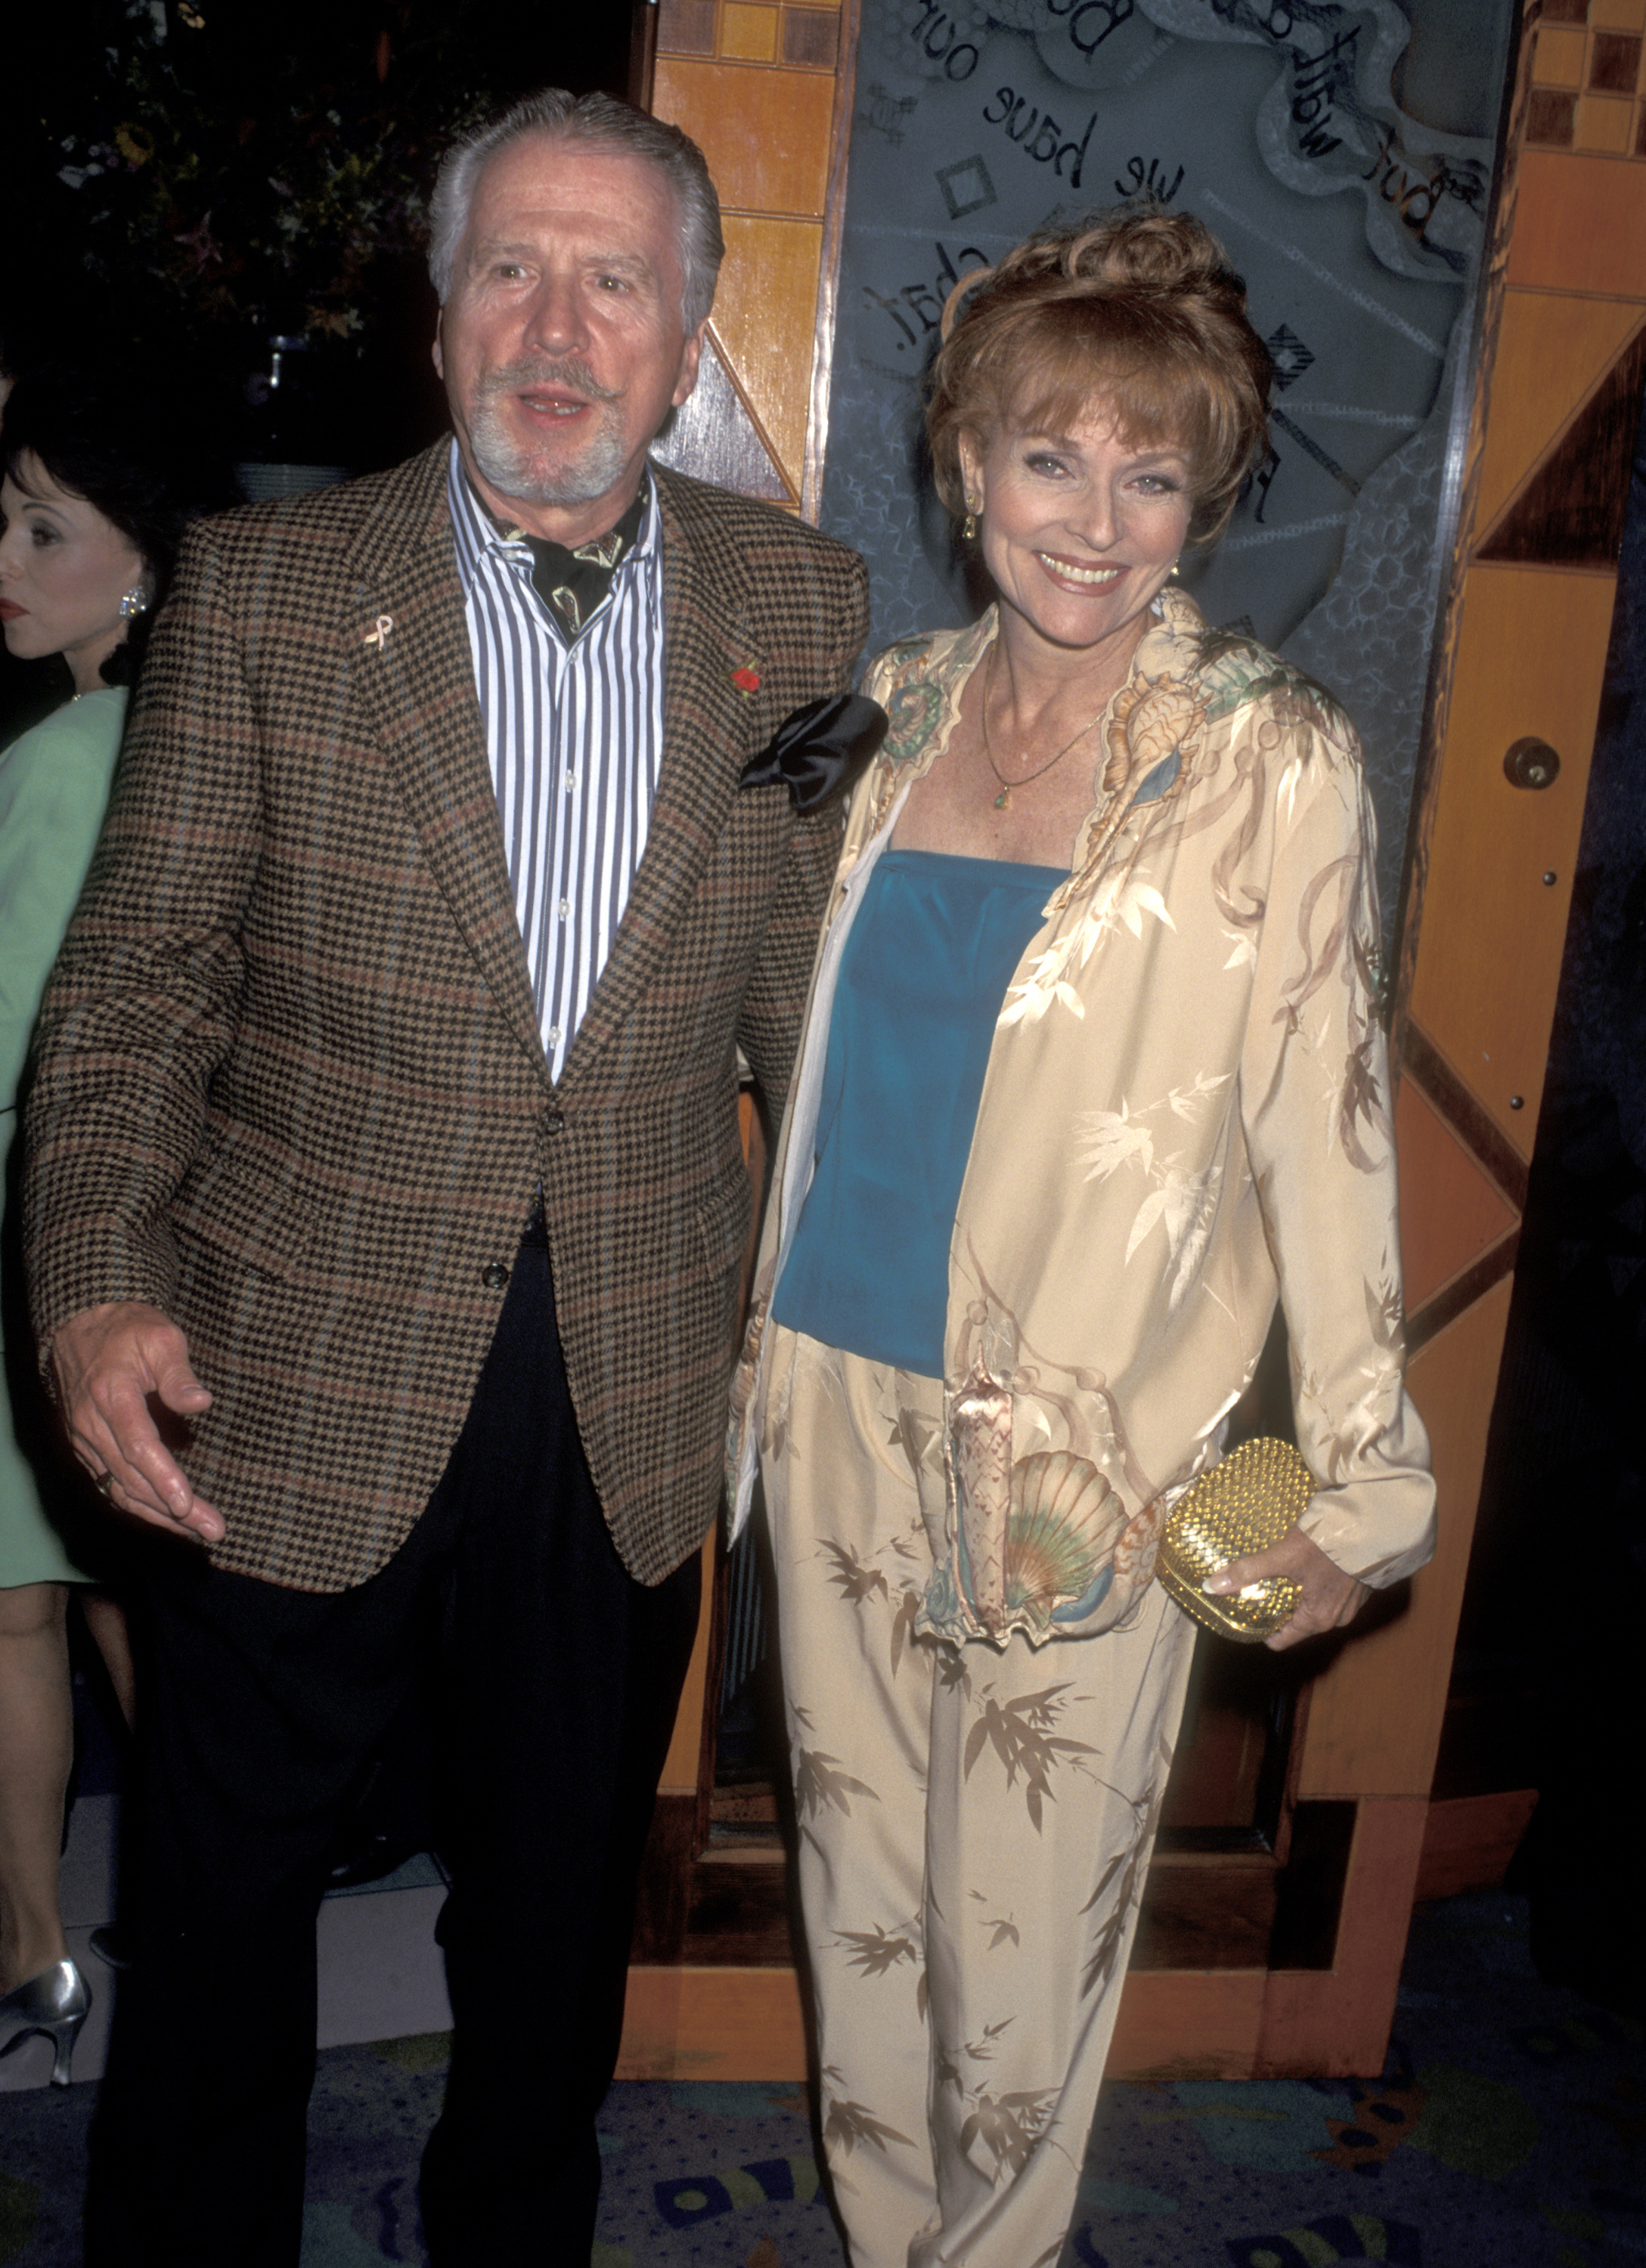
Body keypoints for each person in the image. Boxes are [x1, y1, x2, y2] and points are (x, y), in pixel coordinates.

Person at [23, 90, 867, 2268]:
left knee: (559, 1919)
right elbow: (128, 993)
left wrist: (875, 1341)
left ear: (687, 342)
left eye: (615, 279)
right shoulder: (277, 590)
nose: (557, 325)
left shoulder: (805, 598)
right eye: (511, 268)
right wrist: (95, 1287)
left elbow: (815, 1017)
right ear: (439, 320)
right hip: (280, 1366)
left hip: (629, 1379)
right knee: (219, 1923)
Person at [726, 209, 1437, 2268]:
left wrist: (1364, 1487)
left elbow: (1330, 1130)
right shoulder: (890, 705)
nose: (1099, 521)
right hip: (828, 1401)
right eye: (1054, 459)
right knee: (860, 1945)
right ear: (966, 465)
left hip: (1079, 1459)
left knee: (1019, 1974)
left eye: (1155, 473)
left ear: (1202, 495)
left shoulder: (1267, 755)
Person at [0, 365, 225, 2083]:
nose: (3, 555)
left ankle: (32, 1965)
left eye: (41, 527)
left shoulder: (75, 749)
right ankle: (219, 1914)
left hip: (29, 1222)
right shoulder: (198, 729)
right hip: (167, 1233)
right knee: (122, 1595)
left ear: (142, 560)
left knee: (12, 1608)